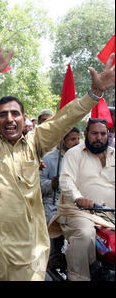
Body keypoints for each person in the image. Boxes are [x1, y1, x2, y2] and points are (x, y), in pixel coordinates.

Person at [0, 39, 114, 281]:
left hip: (28, 246)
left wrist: (94, 94)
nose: (9, 119)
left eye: (15, 113)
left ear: (24, 118)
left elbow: (62, 120)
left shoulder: (34, 142)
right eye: (3, 115)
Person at [48, 118, 115, 281]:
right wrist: (78, 198)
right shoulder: (74, 153)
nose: (99, 138)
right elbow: (66, 180)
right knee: (85, 235)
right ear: (86, 134)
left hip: (110, 215)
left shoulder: (113, 154)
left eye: (102, 134)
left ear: (108, 135)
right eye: (94, 133)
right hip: (79, 213)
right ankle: (78, 277)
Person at [40, 127, 81, 223]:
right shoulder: (49, 158)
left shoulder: (81, 158)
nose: (77, 142)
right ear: (63, 140)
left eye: (78, 139)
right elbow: (38, 182)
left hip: (75, 203)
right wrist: (51, 184)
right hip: (53, 203)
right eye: (73, 139)